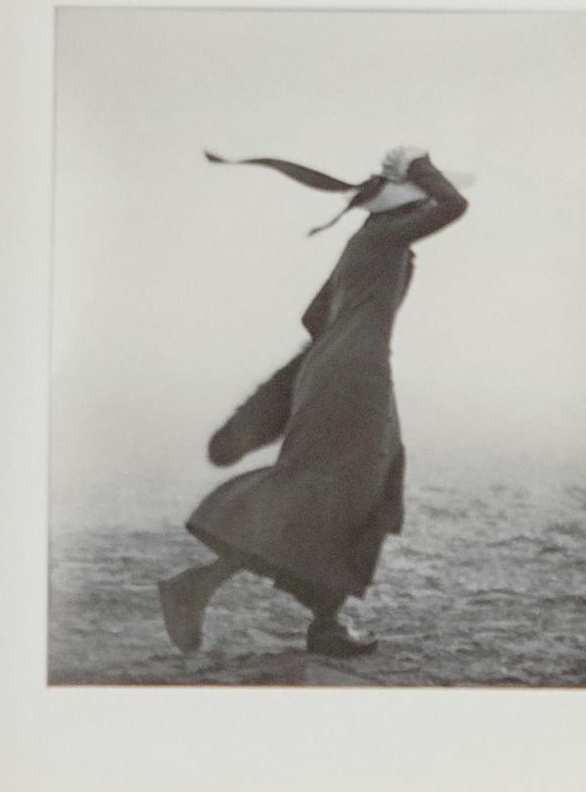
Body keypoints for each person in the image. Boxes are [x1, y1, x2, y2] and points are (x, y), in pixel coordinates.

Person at [157, 140, 469, 666]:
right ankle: (201, 587)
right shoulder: (386, 240)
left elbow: (313, 317)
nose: (426, 212)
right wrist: (421, 165)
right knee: (339, 494)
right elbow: (455, 205)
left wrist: (348, 336)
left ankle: (319, 621)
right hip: (357, 379)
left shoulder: (368, 242)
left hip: (338, 374)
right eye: (420, 200)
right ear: (409, 206)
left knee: (343, 493)